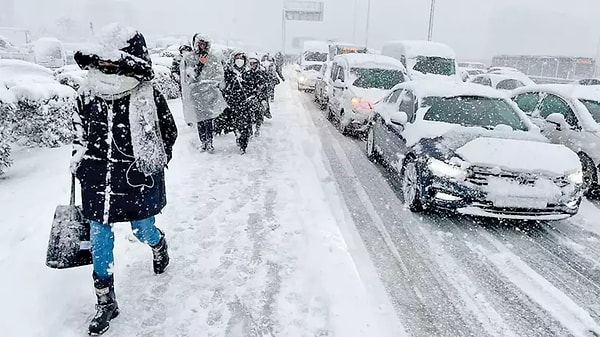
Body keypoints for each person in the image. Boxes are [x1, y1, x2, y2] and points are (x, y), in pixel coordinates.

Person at [71, 23, 178, 336]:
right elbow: (78, 132)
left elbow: (167, 133)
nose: (105, 68)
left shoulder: (147, 95)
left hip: (135, 179)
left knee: (142, 229)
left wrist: (152, 164)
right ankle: (105, 301)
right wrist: (80, 163)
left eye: (112, 63)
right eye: (101, 63)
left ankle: (158, 244)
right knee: (100, 237)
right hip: (97, 179)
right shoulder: (87, 93)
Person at [180, 34, 227, 153]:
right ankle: (203, 142)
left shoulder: (213, 58)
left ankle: (209, 143)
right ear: (195, 44)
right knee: (199, 119)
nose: (202, 46)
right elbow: (189, 77)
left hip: (210, 94)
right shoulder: (189, 59)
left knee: (209, 119)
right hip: (196, 94)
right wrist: (200, 64)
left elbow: (219, 74)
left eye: (204, 44)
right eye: (200, 43)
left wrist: (210, 84)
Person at [223, 50, 253, 154]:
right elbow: (223, 86)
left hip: (245, 104)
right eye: (237, 58)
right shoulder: (228, 71)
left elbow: (252, 87)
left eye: (241, 58)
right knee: (234, 124)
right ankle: (237, 134)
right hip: (231, 104)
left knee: (244, 126)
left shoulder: (248, 73)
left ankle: (243, 144)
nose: (239, 60)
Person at [246, 53, 270, 136]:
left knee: (259, 113)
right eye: (251, 63)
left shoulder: (262, 72)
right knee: (247, 114)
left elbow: (267, 83)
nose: (252, 65)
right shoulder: (246, 73)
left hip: (260, 96)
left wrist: (262, 87)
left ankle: (257, 128)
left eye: (254, 63)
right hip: (249, 96)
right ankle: (249, 131)